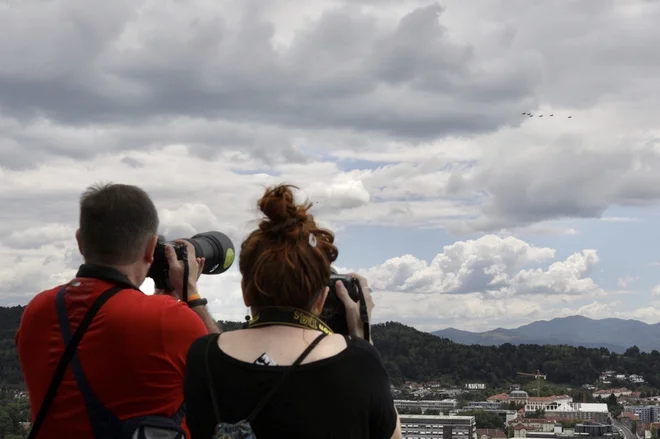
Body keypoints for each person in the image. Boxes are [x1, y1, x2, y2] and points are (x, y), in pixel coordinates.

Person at [184, 184, 402, 439]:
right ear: (321, 298)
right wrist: (363, 339)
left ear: (245, 290)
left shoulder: (203, 356)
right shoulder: (359, 361)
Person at [16, 183, 220, 439]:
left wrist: (167, 294)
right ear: (150, 248)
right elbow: (224, 375)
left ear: (79, 241)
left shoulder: (37, 310)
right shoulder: (168, 319)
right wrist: (189, 291)